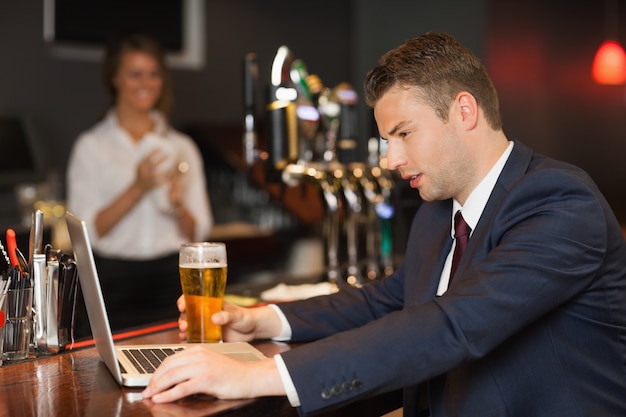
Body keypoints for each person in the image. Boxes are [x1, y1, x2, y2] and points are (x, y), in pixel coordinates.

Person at [141, 32, 626, 416]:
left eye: (403, 134)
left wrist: (258, 377)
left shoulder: (561, 202)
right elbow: (386, 301)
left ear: (464, 111)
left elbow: (452, 325)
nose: (391, 159)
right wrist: (264, 320)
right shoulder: (438, 214)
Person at [66, 32, 212, 333]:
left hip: (171, 284)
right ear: (115, 78)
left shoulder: (182, 146)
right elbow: (89, 232)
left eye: (154, 74)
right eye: (135, 74)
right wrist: (139, 187)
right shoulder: (91, 146)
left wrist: (175, 205)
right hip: (112, 285)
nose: (146, 83)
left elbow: (199, 233)